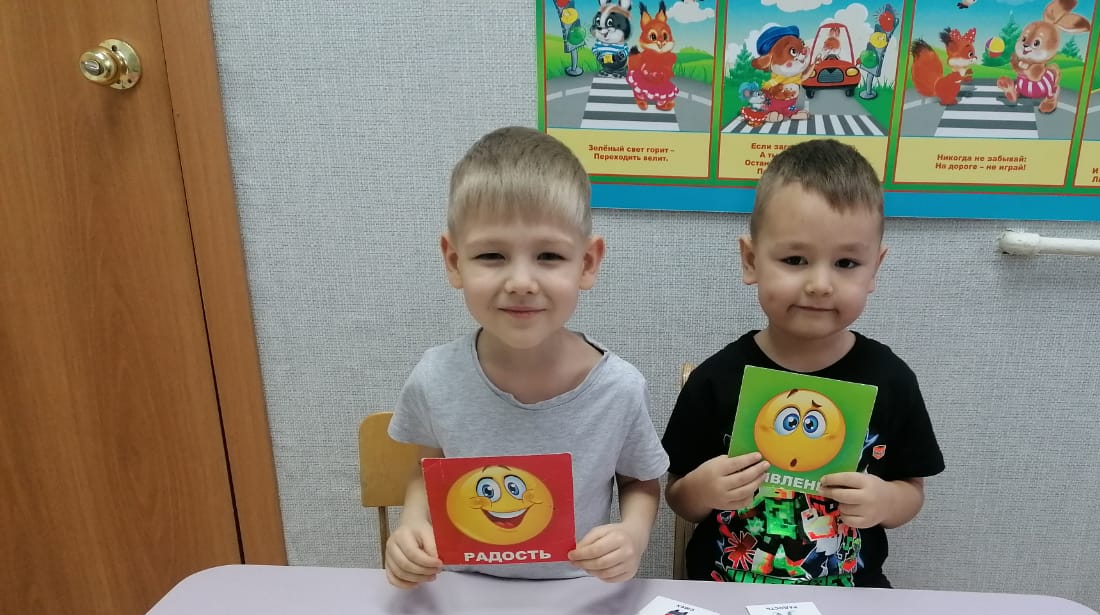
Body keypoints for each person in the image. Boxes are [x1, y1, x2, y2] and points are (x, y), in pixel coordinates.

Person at [384, 127, 668, 587]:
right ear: (454, 262)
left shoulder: (619, 387)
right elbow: (426, 470)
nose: (520, 282)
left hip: (574, 595)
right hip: (459, 590)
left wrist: (632, 534)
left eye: (549, 255)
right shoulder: (434, 377)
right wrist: (412, 524)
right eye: (492, 255)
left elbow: (640, 481)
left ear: (587, 263)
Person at [663, 138, 943, 587]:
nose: (820, 284)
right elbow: (678, 495)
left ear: (874, 269)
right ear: (751, 260)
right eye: (795, 259)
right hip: (725, 592)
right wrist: (705, 489)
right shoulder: (716, 379)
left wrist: (885, 501)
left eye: (846, 263)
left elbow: (911, 490)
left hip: (850, 597)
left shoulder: (891, 379)